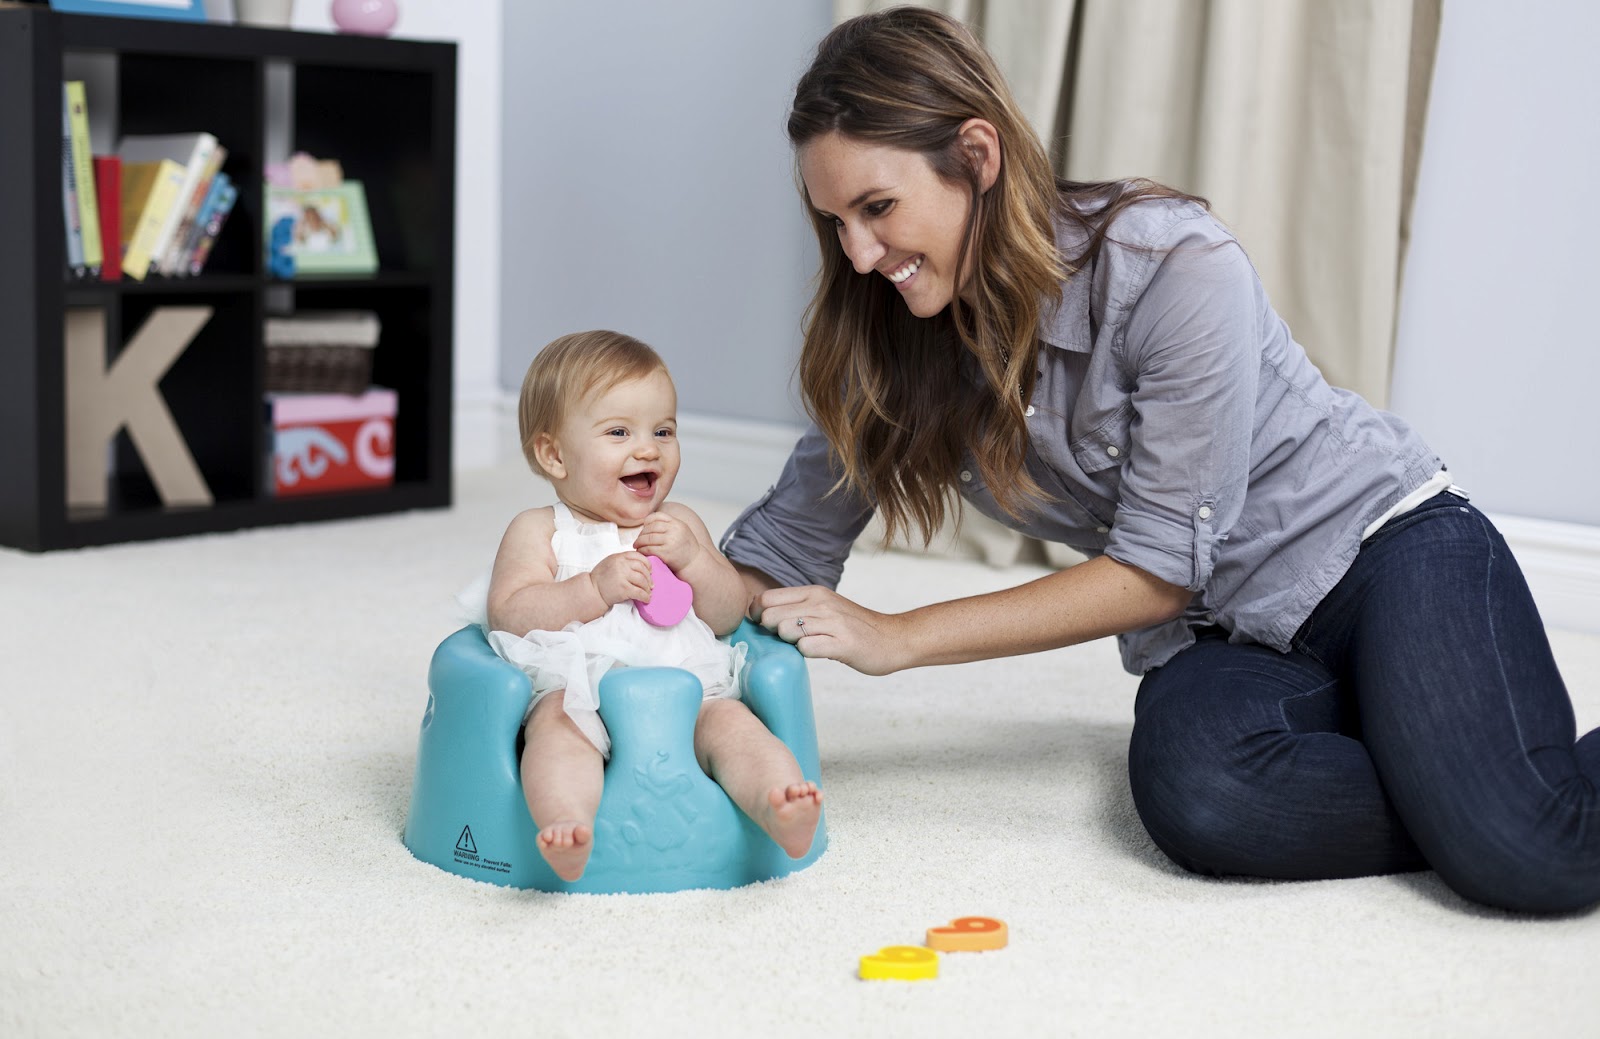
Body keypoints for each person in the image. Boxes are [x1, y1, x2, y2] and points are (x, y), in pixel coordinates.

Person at [722, 6, 1600, 914]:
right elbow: (772, 563)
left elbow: (1152, 574)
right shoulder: (892, 337)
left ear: (977, 157)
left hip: (1382, 554)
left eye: (877, 208)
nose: (859, 257)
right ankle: (1449, 772)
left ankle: (1479, 793)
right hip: (1224, 636)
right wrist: (630, 572)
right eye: (837, 224)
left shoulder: (1172, 264)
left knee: (1529, 851)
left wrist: (898, 635)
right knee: (1204, 797)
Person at [479, 330, 822, 882]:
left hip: (688, 688)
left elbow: (728, 613)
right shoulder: (541, 529)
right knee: (556, 734)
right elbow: (510, 613)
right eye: (619, 432)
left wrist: (697, 561)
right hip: (578, 690)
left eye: (664, 431)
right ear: (554, 454)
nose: (648, 449)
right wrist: (591, 589)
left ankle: (780, 803)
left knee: (735, 728)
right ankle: (566, 825)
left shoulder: (679, 523)